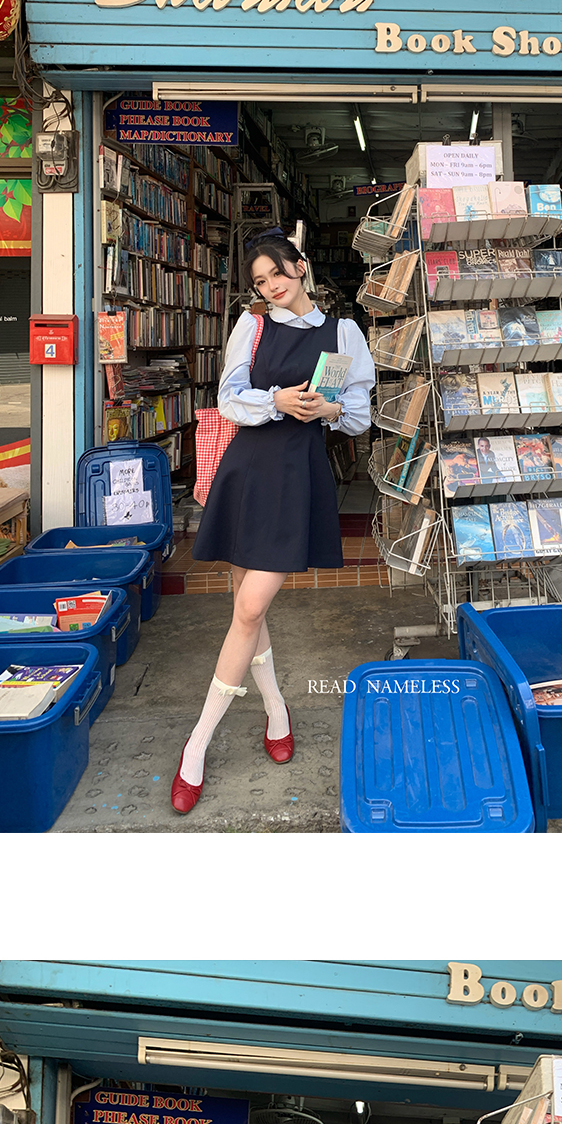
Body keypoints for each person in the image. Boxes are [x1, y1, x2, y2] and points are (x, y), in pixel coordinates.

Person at [172, 224, 375, 814]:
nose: (270, 286)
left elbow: (357, 414)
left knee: (249, 608)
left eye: (278, 273)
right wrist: (276, 401)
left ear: (300, 266)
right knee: (247, 606)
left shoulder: (341, 334)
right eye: (260, 281)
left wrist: (327, 407)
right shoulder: (253, 324)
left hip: (297, 475)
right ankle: (276, 711)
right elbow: (228, 398)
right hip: (248, 470)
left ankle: (196, 744)